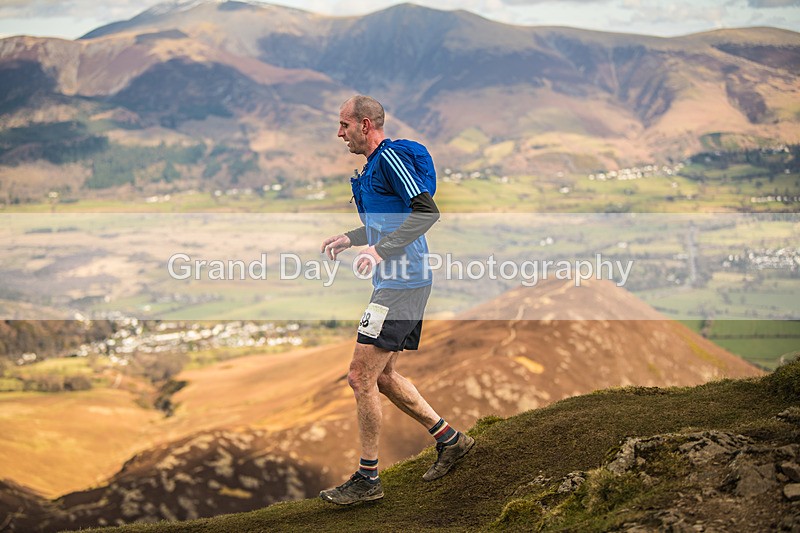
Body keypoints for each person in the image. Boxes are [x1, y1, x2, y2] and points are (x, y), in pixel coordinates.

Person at [318, 95, 474, 505]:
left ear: (365, 125)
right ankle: (451, 441)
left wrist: (380, 252)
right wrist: (351, 239)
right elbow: (388, 222)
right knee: (382, 377)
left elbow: (425, 213)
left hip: (401, 284)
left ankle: (368, 480)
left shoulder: (389, 159)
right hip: (396, 283)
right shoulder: (373, 168)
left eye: (344, 125)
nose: (339, 133)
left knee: (360, 377)